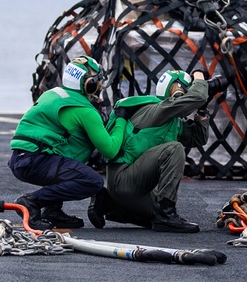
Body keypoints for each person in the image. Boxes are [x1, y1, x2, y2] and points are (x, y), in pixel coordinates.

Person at [7, 56, 129, 231]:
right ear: (88, 84)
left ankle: (52, 211)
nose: (100, 82)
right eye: (97, 78)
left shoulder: (53, 93)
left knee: (70, 155)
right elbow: (110, 150)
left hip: (21, 159)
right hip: (36, 161)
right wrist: (121, 119)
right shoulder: (85, 111)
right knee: (93, 181)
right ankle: (32, 202)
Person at [89, 69, 220, 233]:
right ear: (177, 88)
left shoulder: (170, 119)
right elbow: (197, 97)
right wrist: (199, 75)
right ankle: (167, 213)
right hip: (124, 178)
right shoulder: (155, 109)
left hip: (128, 185)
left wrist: (202, 110)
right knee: (174, 149)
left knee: (153, 216)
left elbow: (197, 138)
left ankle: (108, 202)